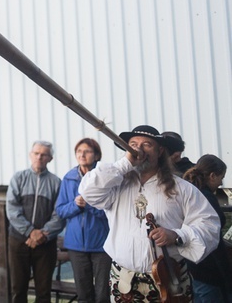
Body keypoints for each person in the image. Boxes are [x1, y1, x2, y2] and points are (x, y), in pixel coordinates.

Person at [79, 125, 220, 302]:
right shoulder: (114, 185)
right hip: (123, 280)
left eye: (147, 144)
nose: (138, 149)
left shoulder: (182, 189)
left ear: (160, 150)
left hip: (169, 280)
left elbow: (209, 225)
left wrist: (176, 235)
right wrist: (125, 164)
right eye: (132, 144)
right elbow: (88, 192)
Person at [6, 141, 65, 303]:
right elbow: (12, 209)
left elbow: (59, 214)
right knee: (18, 288)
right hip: (19, 241)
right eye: (36, 153)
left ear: (50, 158)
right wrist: (31, 232)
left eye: (44, 154)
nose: (39, 157)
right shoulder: (19, 178)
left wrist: (42, 234)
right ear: (30, 155)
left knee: (44, 291)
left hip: (46, 244)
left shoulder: (56, 182)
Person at [55, 138, 111, 303]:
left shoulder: (104, 177)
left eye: (87, 151)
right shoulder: (69, 178)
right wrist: (76, 205)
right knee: (83, 294)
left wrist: (89, 204)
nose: (82, 155)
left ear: (96, 155)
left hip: (102, 245)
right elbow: (60, 210)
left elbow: (110, 212)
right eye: (79, 151)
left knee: (102, 294)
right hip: (76, 245)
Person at [183, 154, 232, 302]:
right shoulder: (206, 197)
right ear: (212, 176)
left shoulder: (189, 192)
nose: (221, 182)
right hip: (209, 267)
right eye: (221, 177)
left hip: (194, 265)